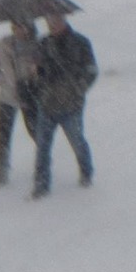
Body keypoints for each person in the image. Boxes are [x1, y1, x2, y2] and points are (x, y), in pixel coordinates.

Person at [29, 11, 96, 199]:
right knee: (42, 146)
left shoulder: (80, 42)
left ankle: (86, 173)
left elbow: (91, 70)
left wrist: (77, 89)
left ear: (64, 20)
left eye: (56, 20)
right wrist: (36, 72)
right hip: (47, 104)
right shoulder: (42, 44)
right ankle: (41, 185)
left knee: (77, 141)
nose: (52, 24)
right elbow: (38, 77)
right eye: (49, 21)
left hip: (71, 104)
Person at [0, 21, 40, 188]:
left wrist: (35, 73)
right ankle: (2, 169)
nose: (17, 30)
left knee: (35, 130)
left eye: (20, 26)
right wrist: (3, 82)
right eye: (14, 26)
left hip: (29, 95)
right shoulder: (4, 44)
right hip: (7, 97)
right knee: (3, 134)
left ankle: (42, 162)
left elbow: (45, 68)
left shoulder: (36, 46)